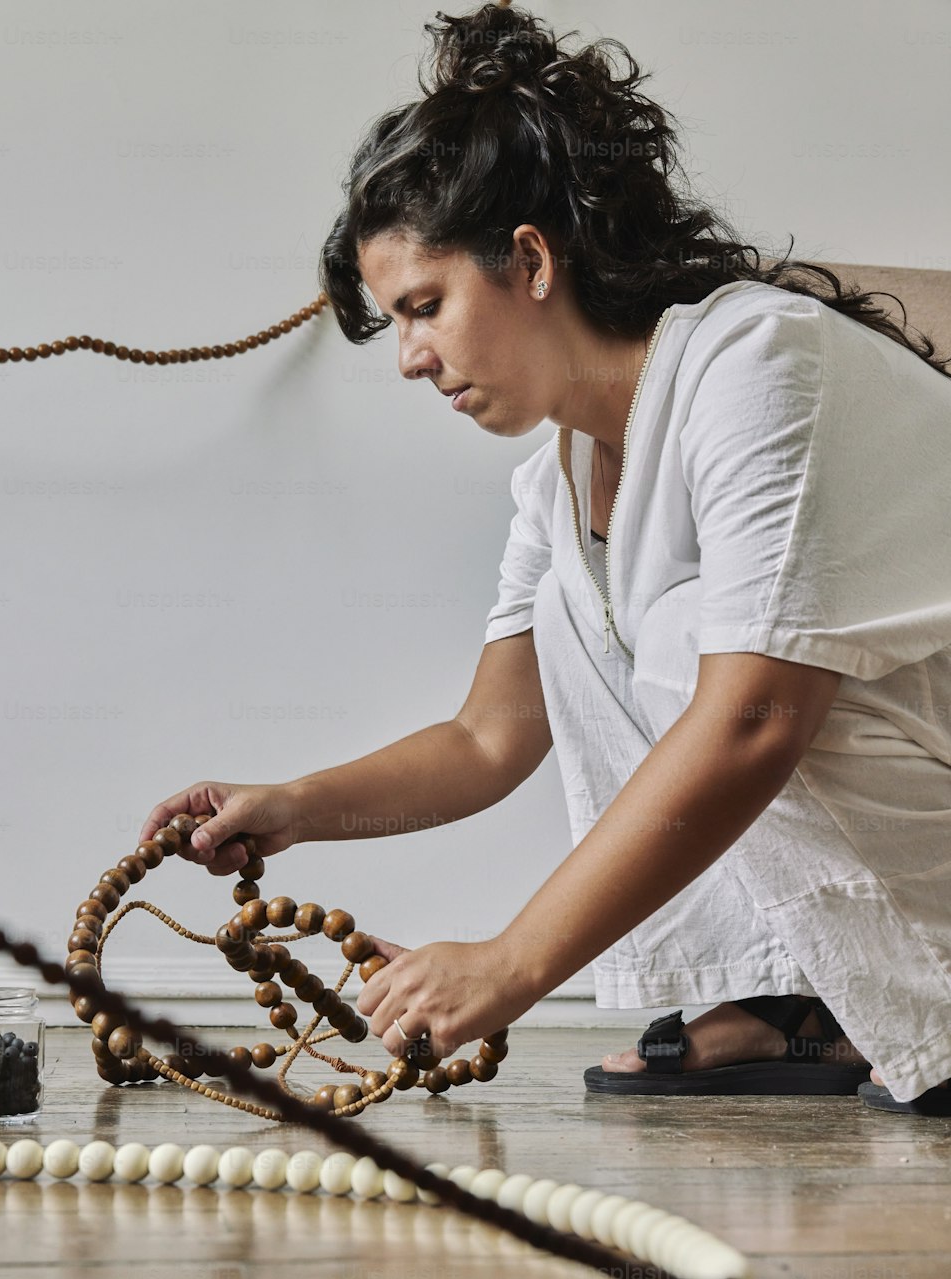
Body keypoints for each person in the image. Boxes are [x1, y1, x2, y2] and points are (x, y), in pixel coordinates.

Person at [140, 4, 951, 1113]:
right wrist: (294, 803)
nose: (413, 360)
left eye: (424, 308)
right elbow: (490, 737)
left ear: (527, 259)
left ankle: (861, 1003)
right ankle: (779, 1001)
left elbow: (754, 718)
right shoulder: (558, 478)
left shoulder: (755, 363)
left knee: (698, 647)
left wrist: (513, 960)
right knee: (622, 626)